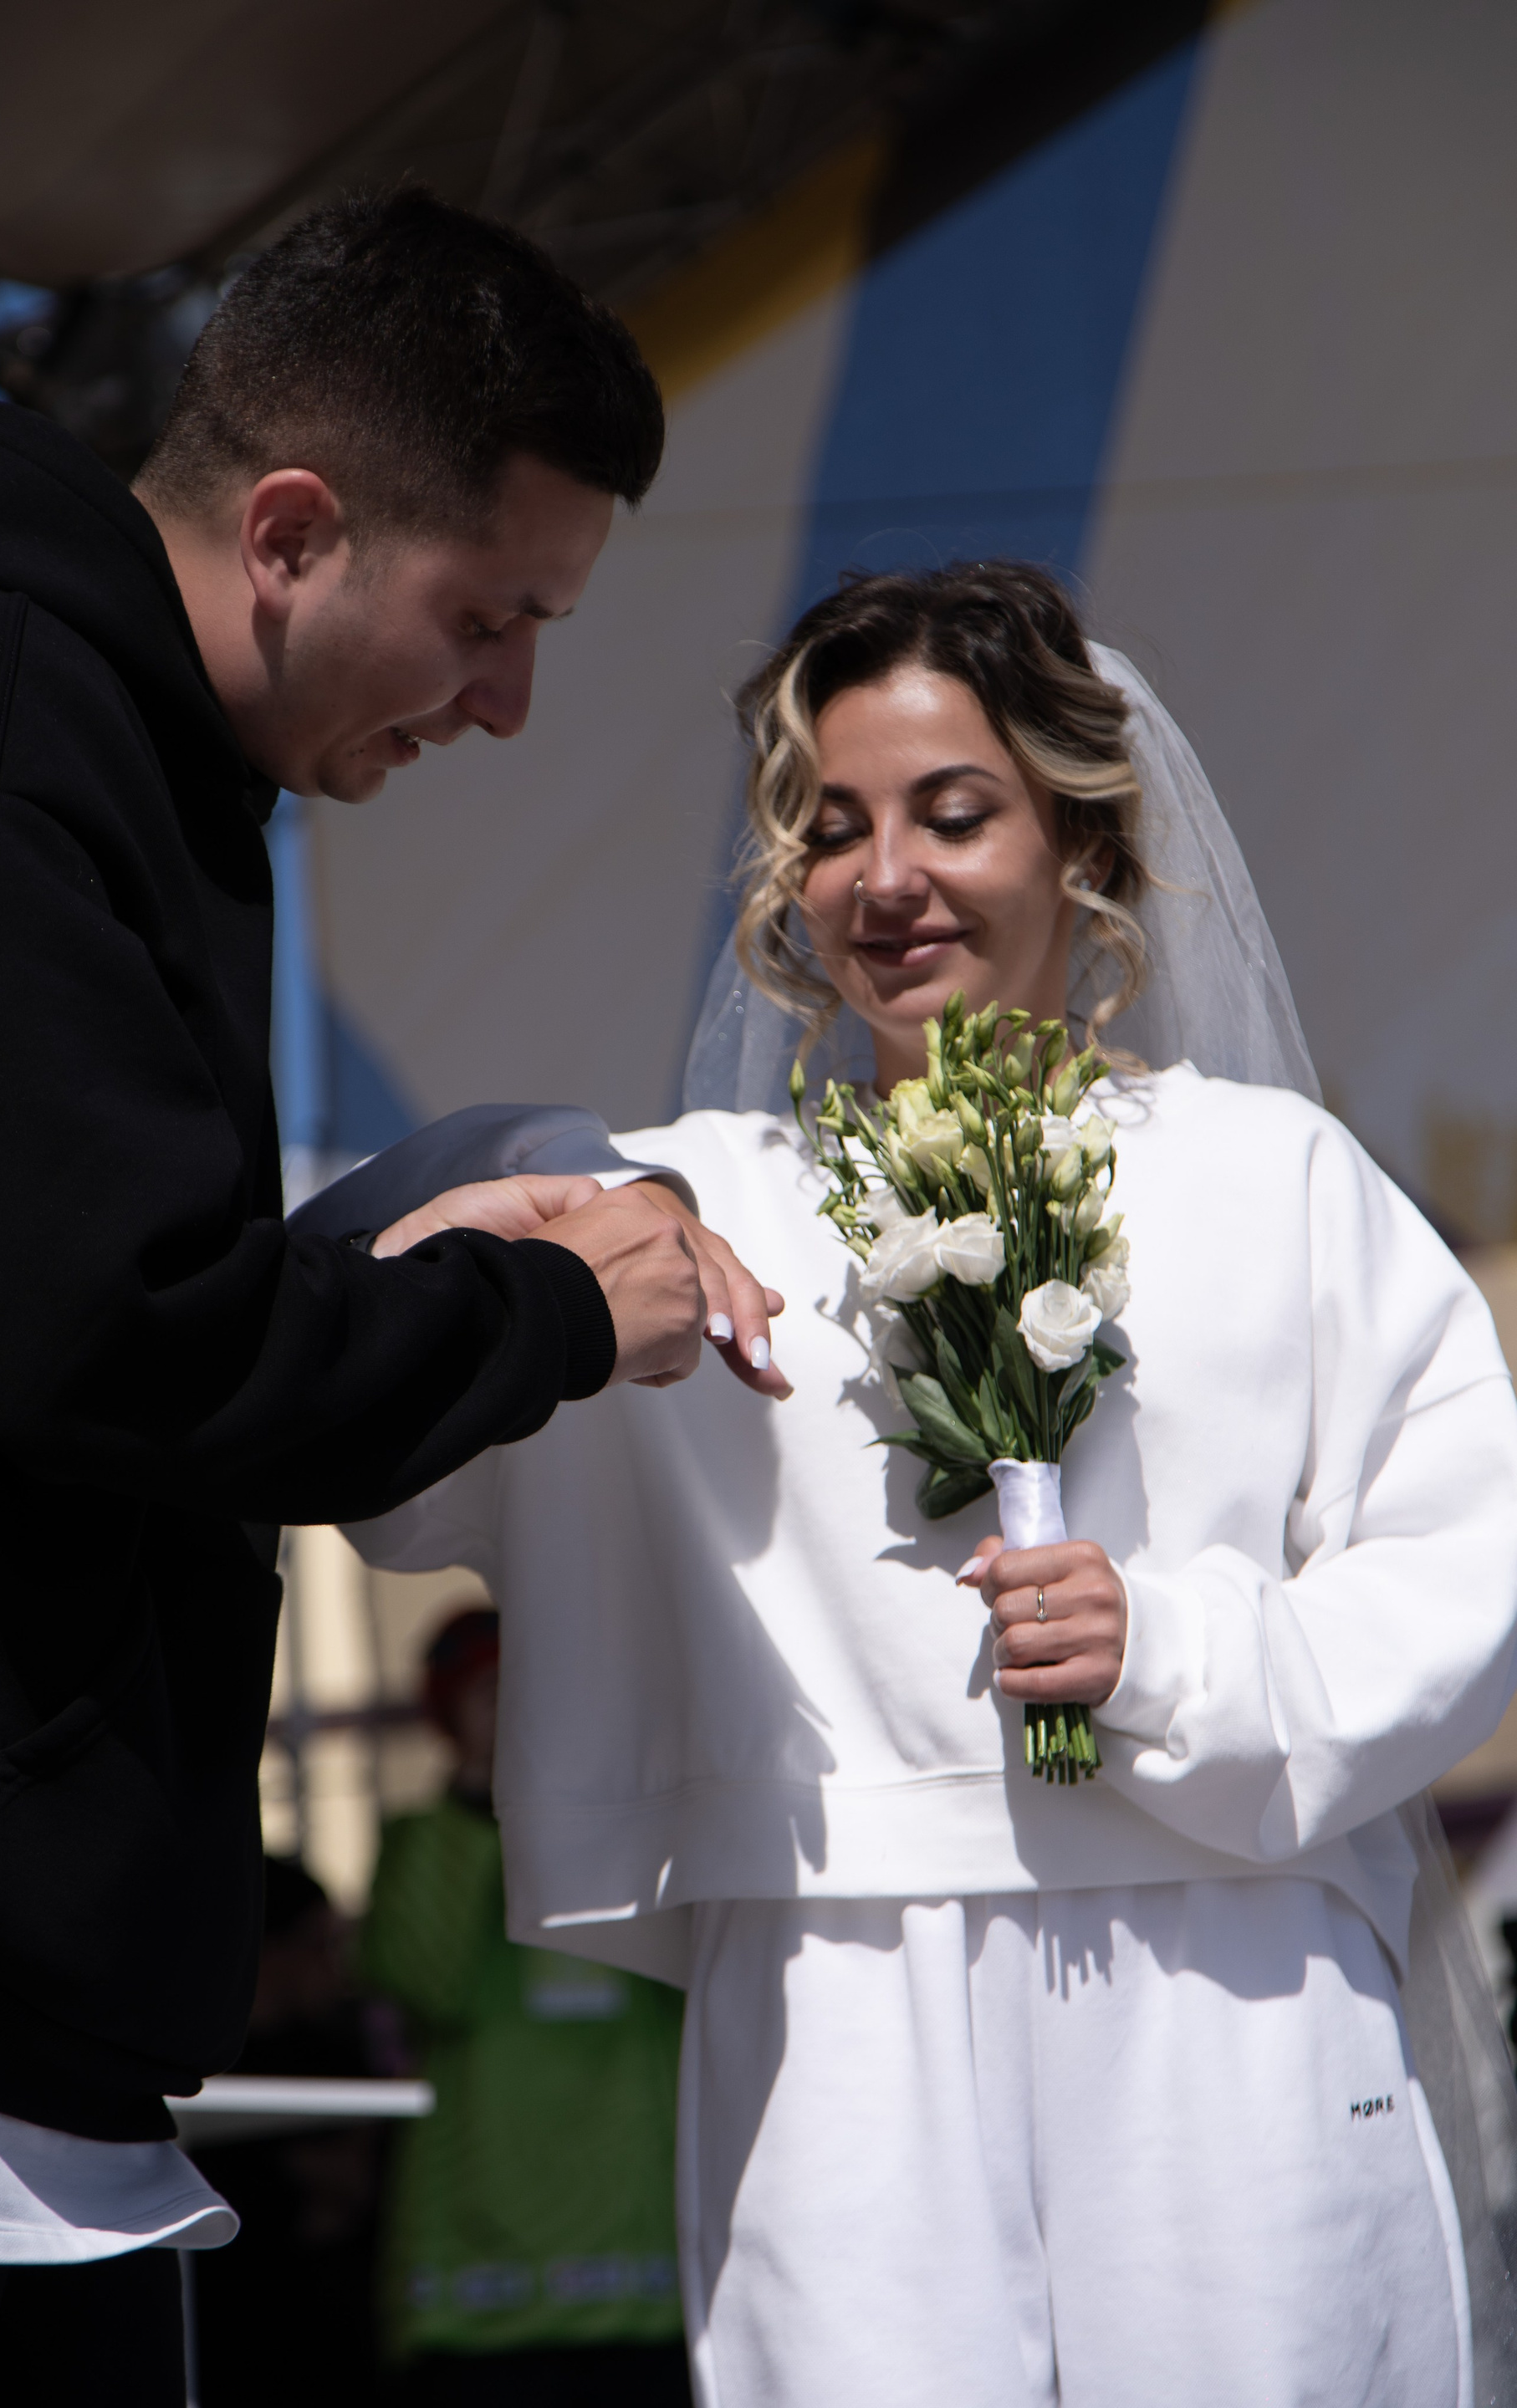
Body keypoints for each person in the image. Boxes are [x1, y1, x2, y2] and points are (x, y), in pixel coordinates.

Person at [343, 561, 1517, 2408]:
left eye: (953, 814)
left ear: (1086, 844)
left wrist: (1173, 1651)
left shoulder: (1274, 1176)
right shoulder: (689, 1204)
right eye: (832, 828)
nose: (884, 877)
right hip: (839, 1991)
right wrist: (566, 1175)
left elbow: (1462, 1558)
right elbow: (359, 1372)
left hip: (1225, 1960)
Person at [0, 186, 779, 2403]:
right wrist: (546, 1315)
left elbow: (35, 1288)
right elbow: (106, 1341)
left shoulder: (97, 730)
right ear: (293, 529)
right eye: (489, 617)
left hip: (22, 2043)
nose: (509, 704)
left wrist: (413, 1237)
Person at [362, 1609, 688, 2407]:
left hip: (646, 2274)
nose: (520, 1712)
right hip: (481, 2279)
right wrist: (480, 1800)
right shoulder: (425, 1840)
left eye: (538, 1692)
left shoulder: (648, 1831)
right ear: (452, 1716)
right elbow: (416, 1978)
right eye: (492, 1694)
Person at [189, 1858, 384, 2405]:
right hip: (225, 2332)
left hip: (322, 2342)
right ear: (268, 1947)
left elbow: (353, 2184)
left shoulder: (339, 2053)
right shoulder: (196, 2063)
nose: (337, 1966)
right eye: (322, 1946)